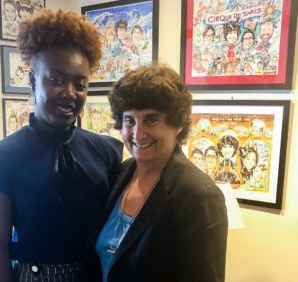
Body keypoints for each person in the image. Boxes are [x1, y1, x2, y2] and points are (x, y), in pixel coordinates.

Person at [0, 9, 123, 282]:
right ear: (33, 81)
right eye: (56, 80)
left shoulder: (107, 153)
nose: (69, 93)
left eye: (80, 84)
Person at [95, 64, 228, 281]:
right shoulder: (123, 172)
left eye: (151, 119)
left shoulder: (199, 196)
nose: (138, 133)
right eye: (129, 120)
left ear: (177, 124)